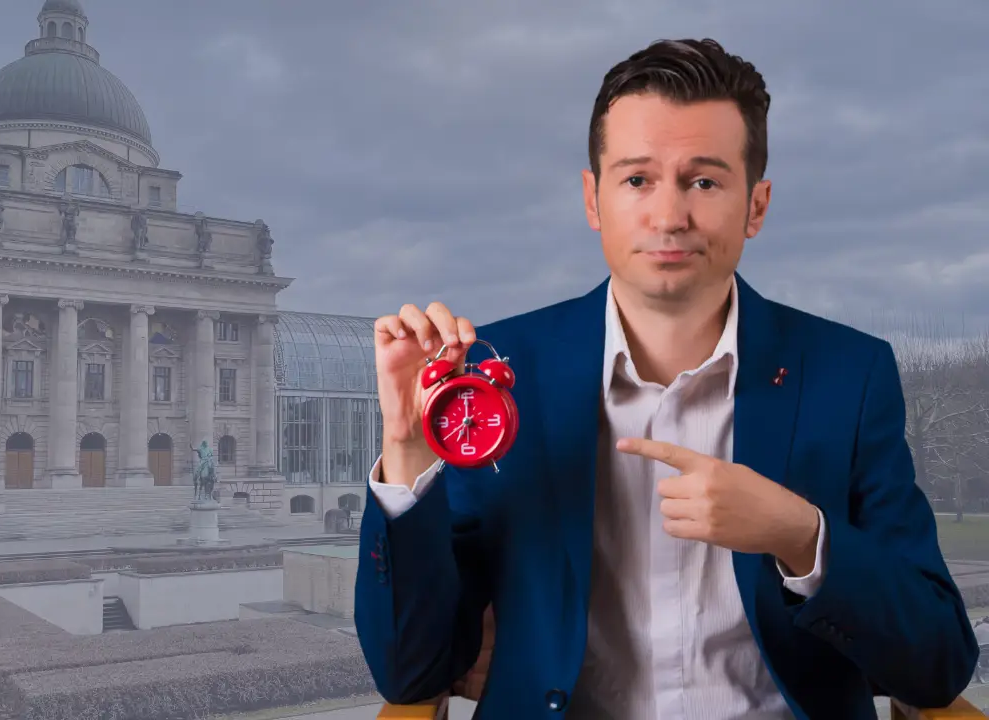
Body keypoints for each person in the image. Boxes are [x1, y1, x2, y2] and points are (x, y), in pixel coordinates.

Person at [354, 38, 980, 719]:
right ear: (593, 200)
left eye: (704, 182)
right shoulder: (494, 375)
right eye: (637, 180)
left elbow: (938, 664)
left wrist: (801, 535)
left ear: (757, 205)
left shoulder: (850, 375)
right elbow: (411, 672)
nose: (669, 217)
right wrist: (408, 449)